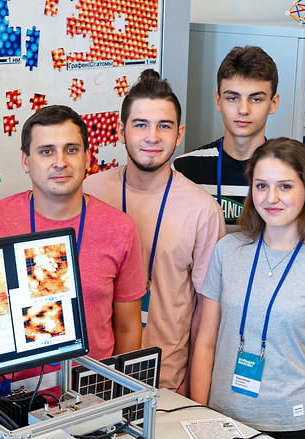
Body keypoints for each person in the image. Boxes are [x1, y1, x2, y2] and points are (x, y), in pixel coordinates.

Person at [189, 137, 305, 439]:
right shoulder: (227, 251)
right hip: (221, 419)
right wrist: (199, 418)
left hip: (291, 427)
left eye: (285, 186)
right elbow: (205, 342)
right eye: (262, 186)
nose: (272, 198)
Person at [0, 104, 144, 383]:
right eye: (46, 151)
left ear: (88, 157)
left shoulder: (120, 228)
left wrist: (119, 391)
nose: (60, 162)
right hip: (9, 394)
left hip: (90, 392)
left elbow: (128, 328)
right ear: (26, 161)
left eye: (71, 149)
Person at [83, 69, 224, 393]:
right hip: (92, 376)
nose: (152, 137)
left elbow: (207, 311)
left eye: (164, 126)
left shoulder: (203, 210)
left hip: (166, 382)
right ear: (121, 130)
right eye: (140, 125)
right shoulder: (90, 191)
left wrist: (191, 387)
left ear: (179, 133)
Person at [173, 46, 280, 232]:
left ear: (273, 103)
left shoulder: (293, 173)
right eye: (232, 98)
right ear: (218, 101)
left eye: (256, 99)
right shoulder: (185, 170)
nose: (243, 110)